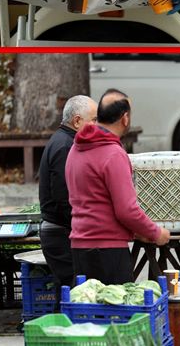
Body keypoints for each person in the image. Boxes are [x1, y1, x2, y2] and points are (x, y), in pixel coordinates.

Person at [66, 89, 170, 284]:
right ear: (125, 118)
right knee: (115, 312)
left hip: (79, 246)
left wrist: (137, 231)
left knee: (87, 310)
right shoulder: (113, 153)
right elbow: (127, 210)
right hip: (108, 250)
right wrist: (156, 233)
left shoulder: (76, 147)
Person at [38, 94, 97, 288]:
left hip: (61, 230)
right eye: (94, 120)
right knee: (71, 291)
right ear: (77, 121)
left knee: (69, 290)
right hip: (61, 232)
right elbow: (64, 196)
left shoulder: (64, 140)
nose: (97, 126)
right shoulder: (65, 146)